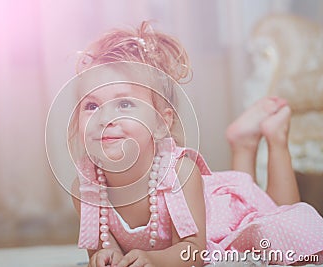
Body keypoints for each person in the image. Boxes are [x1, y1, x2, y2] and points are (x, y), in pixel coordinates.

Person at [67, 21, 323, 267]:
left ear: (160, 123)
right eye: (91, 106)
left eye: (124, 104)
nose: (105, 118)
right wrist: (106, 256)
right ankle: (243, 142)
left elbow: (193, 250)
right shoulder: (86, 188)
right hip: (215, 211)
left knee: (281, 222)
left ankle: (275, 137)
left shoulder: (180, 173)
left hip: (220, 216)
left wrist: (157, 261)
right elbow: (103, 244)